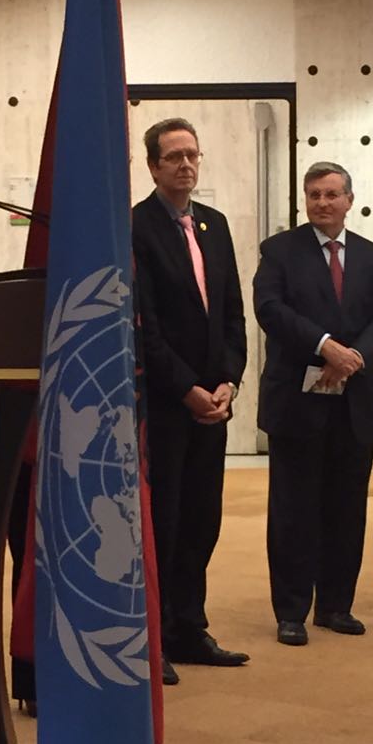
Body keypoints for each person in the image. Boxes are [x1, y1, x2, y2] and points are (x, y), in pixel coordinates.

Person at [254, 162, 373, 645]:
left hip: (355, 402)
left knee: (346, 508)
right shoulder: (279, 251)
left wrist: (354, 357)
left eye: (332, 194)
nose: (323, 202)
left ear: (349, 201)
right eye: (314, 194)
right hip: (297, 403)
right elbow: (270, 309)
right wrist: (325, 346)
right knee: (293, 510)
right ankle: (291, 611)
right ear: (305, 199)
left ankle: (336, 605)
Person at [132, 117, 248, 683]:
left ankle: (189, 627)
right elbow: (144, 326)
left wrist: (229, 380)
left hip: (213, 400)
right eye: (174, 156)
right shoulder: (136, 227)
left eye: (192, 155)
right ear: (153, 165)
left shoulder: (214, 224)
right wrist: (187, 390)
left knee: (204, 519)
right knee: (165, 522)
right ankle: (154, 638)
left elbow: (231, 313)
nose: (185, 165)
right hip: (166, 402)